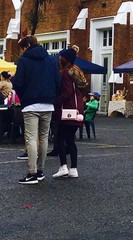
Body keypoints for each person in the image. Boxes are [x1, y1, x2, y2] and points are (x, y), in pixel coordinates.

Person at [12, 35, 61, 185]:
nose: (22, 51)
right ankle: (40, 171)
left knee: (31, 138)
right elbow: (58, 81)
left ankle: (32, 173)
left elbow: (19, 83)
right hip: (48, 103)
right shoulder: (52, 60)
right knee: (44, 137)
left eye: (22, 47)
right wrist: (52, 96)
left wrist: (23, 95)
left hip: (31, 104)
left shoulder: (24, 61)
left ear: (26, 46)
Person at [52, 48, 87, 179]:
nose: (59, 58)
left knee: (60, 139)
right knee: (71, 140)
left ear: (64, 59)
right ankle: (74, 168)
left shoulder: (65, 73)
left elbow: (67, 93)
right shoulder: (76, 71)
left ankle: (63, 166)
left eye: (61, 56)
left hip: (66, 110)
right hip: (77, 110)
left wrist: (56, 101)